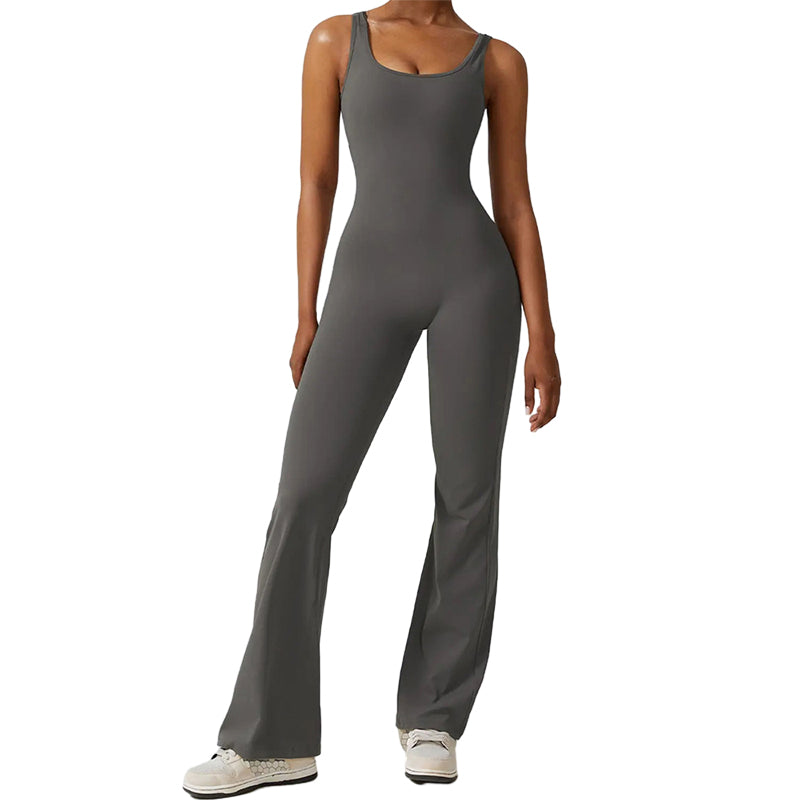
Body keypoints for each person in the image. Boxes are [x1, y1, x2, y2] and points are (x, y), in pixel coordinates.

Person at [183, 2, 560, 794]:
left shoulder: (498, 60)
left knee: (467, 497)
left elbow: (516, 203)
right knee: (305, 496)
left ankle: (434, 718)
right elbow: (315, 180)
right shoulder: (335, 39)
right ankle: (270, 739)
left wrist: (544, 334)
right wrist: (305, 311)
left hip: (474, 285)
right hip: (366, 283)